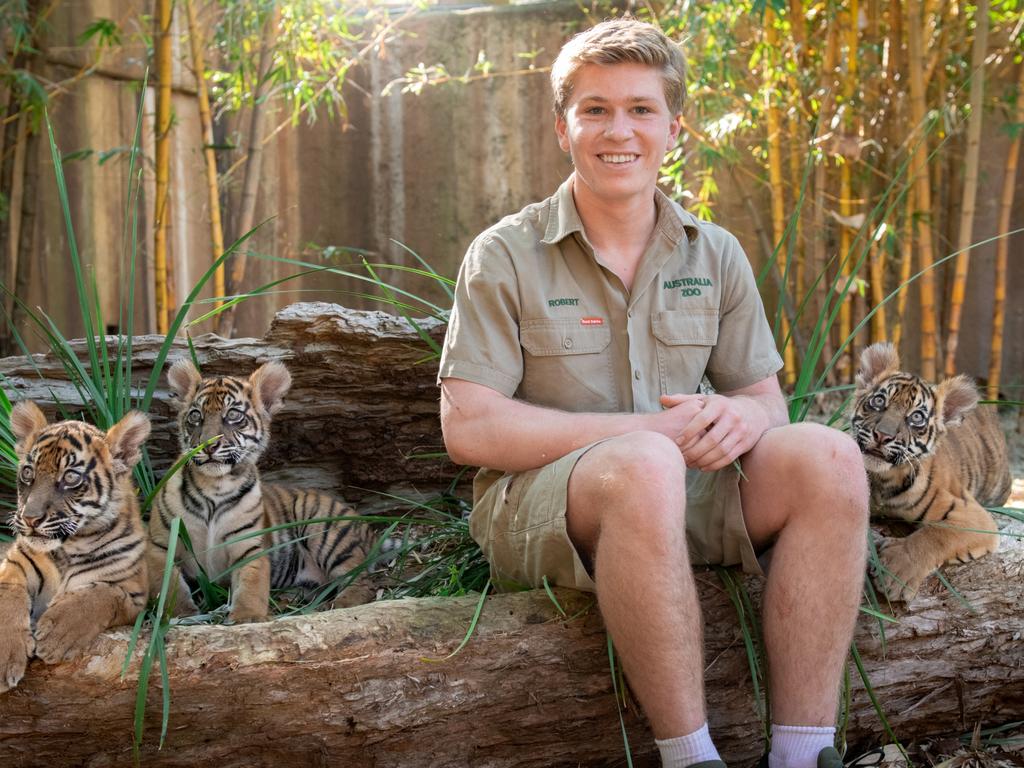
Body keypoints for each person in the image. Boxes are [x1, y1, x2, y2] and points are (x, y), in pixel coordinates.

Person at [437, 17, 869, 768]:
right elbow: (468, 428)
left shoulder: (716, 251)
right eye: (595, 109)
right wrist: (646, 434)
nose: (619, 131)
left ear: (675, 128)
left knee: (828, 457)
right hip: (542, 509)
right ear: (562, 129)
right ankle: (691, 757)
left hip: (676, 489)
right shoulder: (505, 254)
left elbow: (767, 405)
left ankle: (804, 753)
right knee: (642, 461)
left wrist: (735, 416)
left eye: (641, 109)